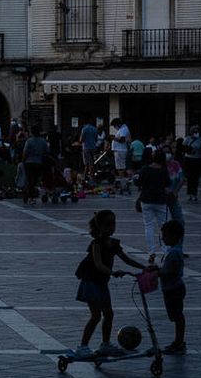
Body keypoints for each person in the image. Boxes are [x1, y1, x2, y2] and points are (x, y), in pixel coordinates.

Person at [73, 210, 144, 355]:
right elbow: (98, 264)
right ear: (99, 226)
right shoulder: (96, 244)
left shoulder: (114, 243)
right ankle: (83, 346)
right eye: (107, 225)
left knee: (109, 314)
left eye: (113, 224)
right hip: (91, 282)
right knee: (96, 315)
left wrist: (144, 267)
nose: (111, 228)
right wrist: (112, 273)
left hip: (101, 283)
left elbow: (126, 259)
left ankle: (105, 344)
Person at [134, 148, 172, 257]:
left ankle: (151, 250)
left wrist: (136, 178)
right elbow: (168, 185)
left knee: (148, 225)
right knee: (163, 225)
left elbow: (138, 182)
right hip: (160, 201)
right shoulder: (163, 170)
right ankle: (165, 250)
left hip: (146, 200)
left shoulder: (145, 169)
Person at [157, 219, 188, 353]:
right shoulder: (173, 250)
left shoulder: (174, 252)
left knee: (177, 316)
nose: (163, 238)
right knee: (176, 315)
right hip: (171, 288)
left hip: (174, 288)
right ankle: (178, 341)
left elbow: (172, 270)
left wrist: (158, 273)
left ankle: (179, 342)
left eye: (165, 236)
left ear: (175, 236)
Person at [22, 130, 49, 204]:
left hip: (29, 162)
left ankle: (28, 193)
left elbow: (25, 152)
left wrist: (23, 161)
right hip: (38, 162)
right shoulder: (43, 141)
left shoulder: (29, 141)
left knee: (29, 179)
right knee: (35, 180)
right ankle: (31, 195)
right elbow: (47, 151)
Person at [164, 147, 186, 229]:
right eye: (165, 152)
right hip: (161, 197)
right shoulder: (159, 165)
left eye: (168, 152)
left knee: (179, 220)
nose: (167, 154)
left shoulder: (175, 164)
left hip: (172, 196)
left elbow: (182, 179)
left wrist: (176, 191)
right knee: (164, 221)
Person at [182, 127, 201, 201]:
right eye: (194, 132)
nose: (196, 133)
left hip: (198, 159)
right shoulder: (187, 139)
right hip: (189, 159)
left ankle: (194, 194)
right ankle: (189, 194)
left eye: (197, 132)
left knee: (196, 178)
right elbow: (183, 147)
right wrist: (189, 150)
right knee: (189, 177)